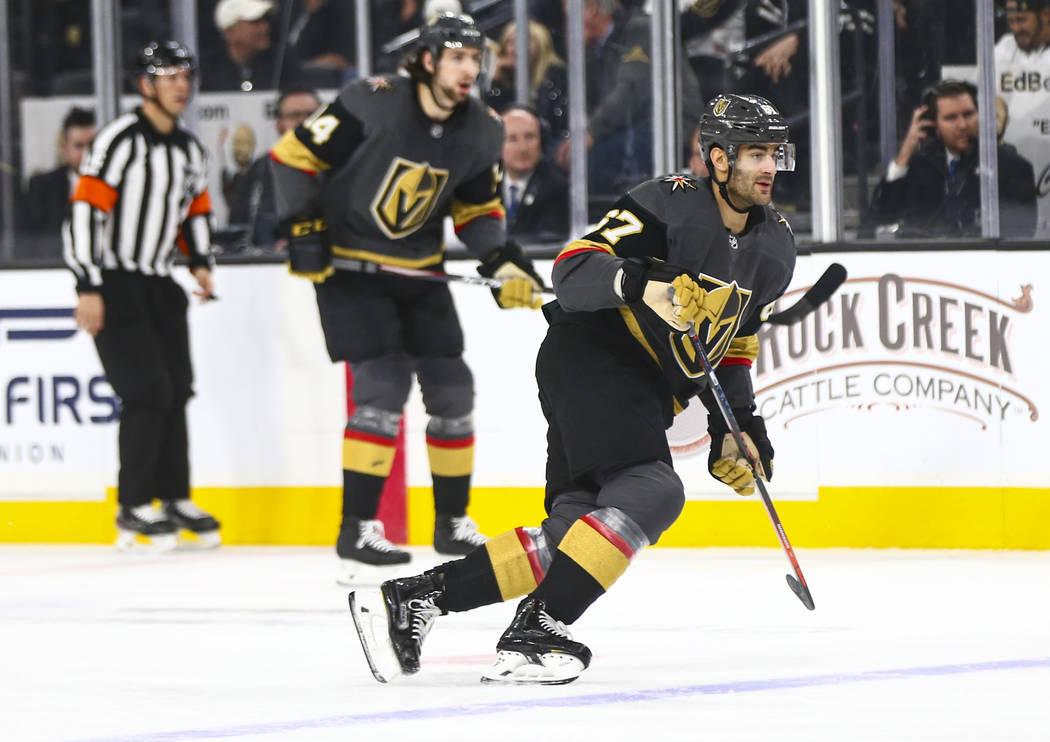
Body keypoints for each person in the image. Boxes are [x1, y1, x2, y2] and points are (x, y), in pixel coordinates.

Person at [349, 93, 797, 685]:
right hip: (595, 356)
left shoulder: (776, 247)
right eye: (753, 153)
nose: (767, 167)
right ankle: (538, 627)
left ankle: (415, 599)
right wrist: (644, 283)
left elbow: (734, 347)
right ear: (717, 158)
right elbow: (573, 268)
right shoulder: (668, 203)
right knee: (654, 490)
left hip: (639, 388)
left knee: (572, 533)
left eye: (774, 153)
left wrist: (736, 430)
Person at [269, 13, 545, 579]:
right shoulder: (370, 101)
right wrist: (303, 228)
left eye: (476, 58)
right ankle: (357, 529)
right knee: (383, 383)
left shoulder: (483, 129)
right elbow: (293, 158)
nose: (471, 68)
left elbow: (477, 210)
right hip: (352, 269)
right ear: (427, 60)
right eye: (459, 57)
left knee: (452, 387)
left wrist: (503, 260)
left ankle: (450, 524)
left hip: (419, 270)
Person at [62, 41, 221, 551]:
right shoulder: (120, 140)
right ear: (145, 85)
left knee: (176, 389)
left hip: (158, 282)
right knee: (147, 392)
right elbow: (86, 209)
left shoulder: (189, 149)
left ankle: (174, 497)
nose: (181, 85)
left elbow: (194, 209)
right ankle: (133, 506)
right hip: (115, 280)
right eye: (169, 76)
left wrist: (199, 263)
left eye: (185, 75)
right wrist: (88, 284)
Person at [870, 80, 1037, 238]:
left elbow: (1020, 233)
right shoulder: (918, 167)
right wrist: (905, 153)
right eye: (951, 118)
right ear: (933, 125)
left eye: (968, 114)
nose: (963, 125)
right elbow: (879, 216)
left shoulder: (1012, 167)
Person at [229, 87, 322, 247]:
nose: (304, 122)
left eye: (311, 115)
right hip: (271, 263)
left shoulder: (342, 165)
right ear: (279, 125)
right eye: (295, 116)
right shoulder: (261, 169)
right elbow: (240, 226)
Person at [21, 107, 97, 253]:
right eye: (79, 146)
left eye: (92, 145)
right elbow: (33, 240)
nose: (87, 153)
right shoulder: (41, 187)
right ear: (65, 149)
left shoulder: (112, 184)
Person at [484, 21, 569, 145]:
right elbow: (496, 119)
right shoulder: (505, 78)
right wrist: (498, 80)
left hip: (552, 142)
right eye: (511, 42)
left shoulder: (556, 74)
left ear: (541, 44)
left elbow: (556, 121)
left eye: (526, 41)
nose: (517, 48)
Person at [501, 105, 569, 240]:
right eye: (512, 139)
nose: (523, 148)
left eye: (530, 137)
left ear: (542, 141)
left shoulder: (556, 187)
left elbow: (547, 241)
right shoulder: (482, 185)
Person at [201, 0, 291, 91]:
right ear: (230, 31)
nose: (265, 28)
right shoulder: (206, 71)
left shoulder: (281, 62)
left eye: (265, 20)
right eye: (255, 22)